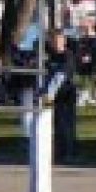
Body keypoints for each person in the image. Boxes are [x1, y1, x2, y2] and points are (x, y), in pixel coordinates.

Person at [39, 27, 79, 162]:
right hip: (52, 96)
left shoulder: (67, 56)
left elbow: (60, 76)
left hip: (66, 94)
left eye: (59, 40)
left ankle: (68, 152)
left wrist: (49, 94)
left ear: (64, 41)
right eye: (54, 41)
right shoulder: (47, 55)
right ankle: (57, 152)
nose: (56, 43)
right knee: (55, 124)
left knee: (65, 124)